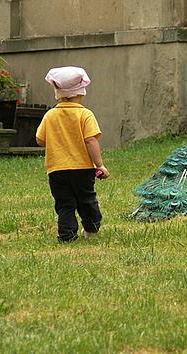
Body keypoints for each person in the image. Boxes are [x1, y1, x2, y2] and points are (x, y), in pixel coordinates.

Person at [36, 66, 110, 242]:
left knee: (64, 203)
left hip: (56, 170)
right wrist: (99, 165)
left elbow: (40, 140)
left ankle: (67, 235)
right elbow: (91, 140)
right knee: (86, 198)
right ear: (80, 93)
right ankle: (91, 227)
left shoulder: (50, 115)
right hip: (82, 168)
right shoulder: (85, 114)